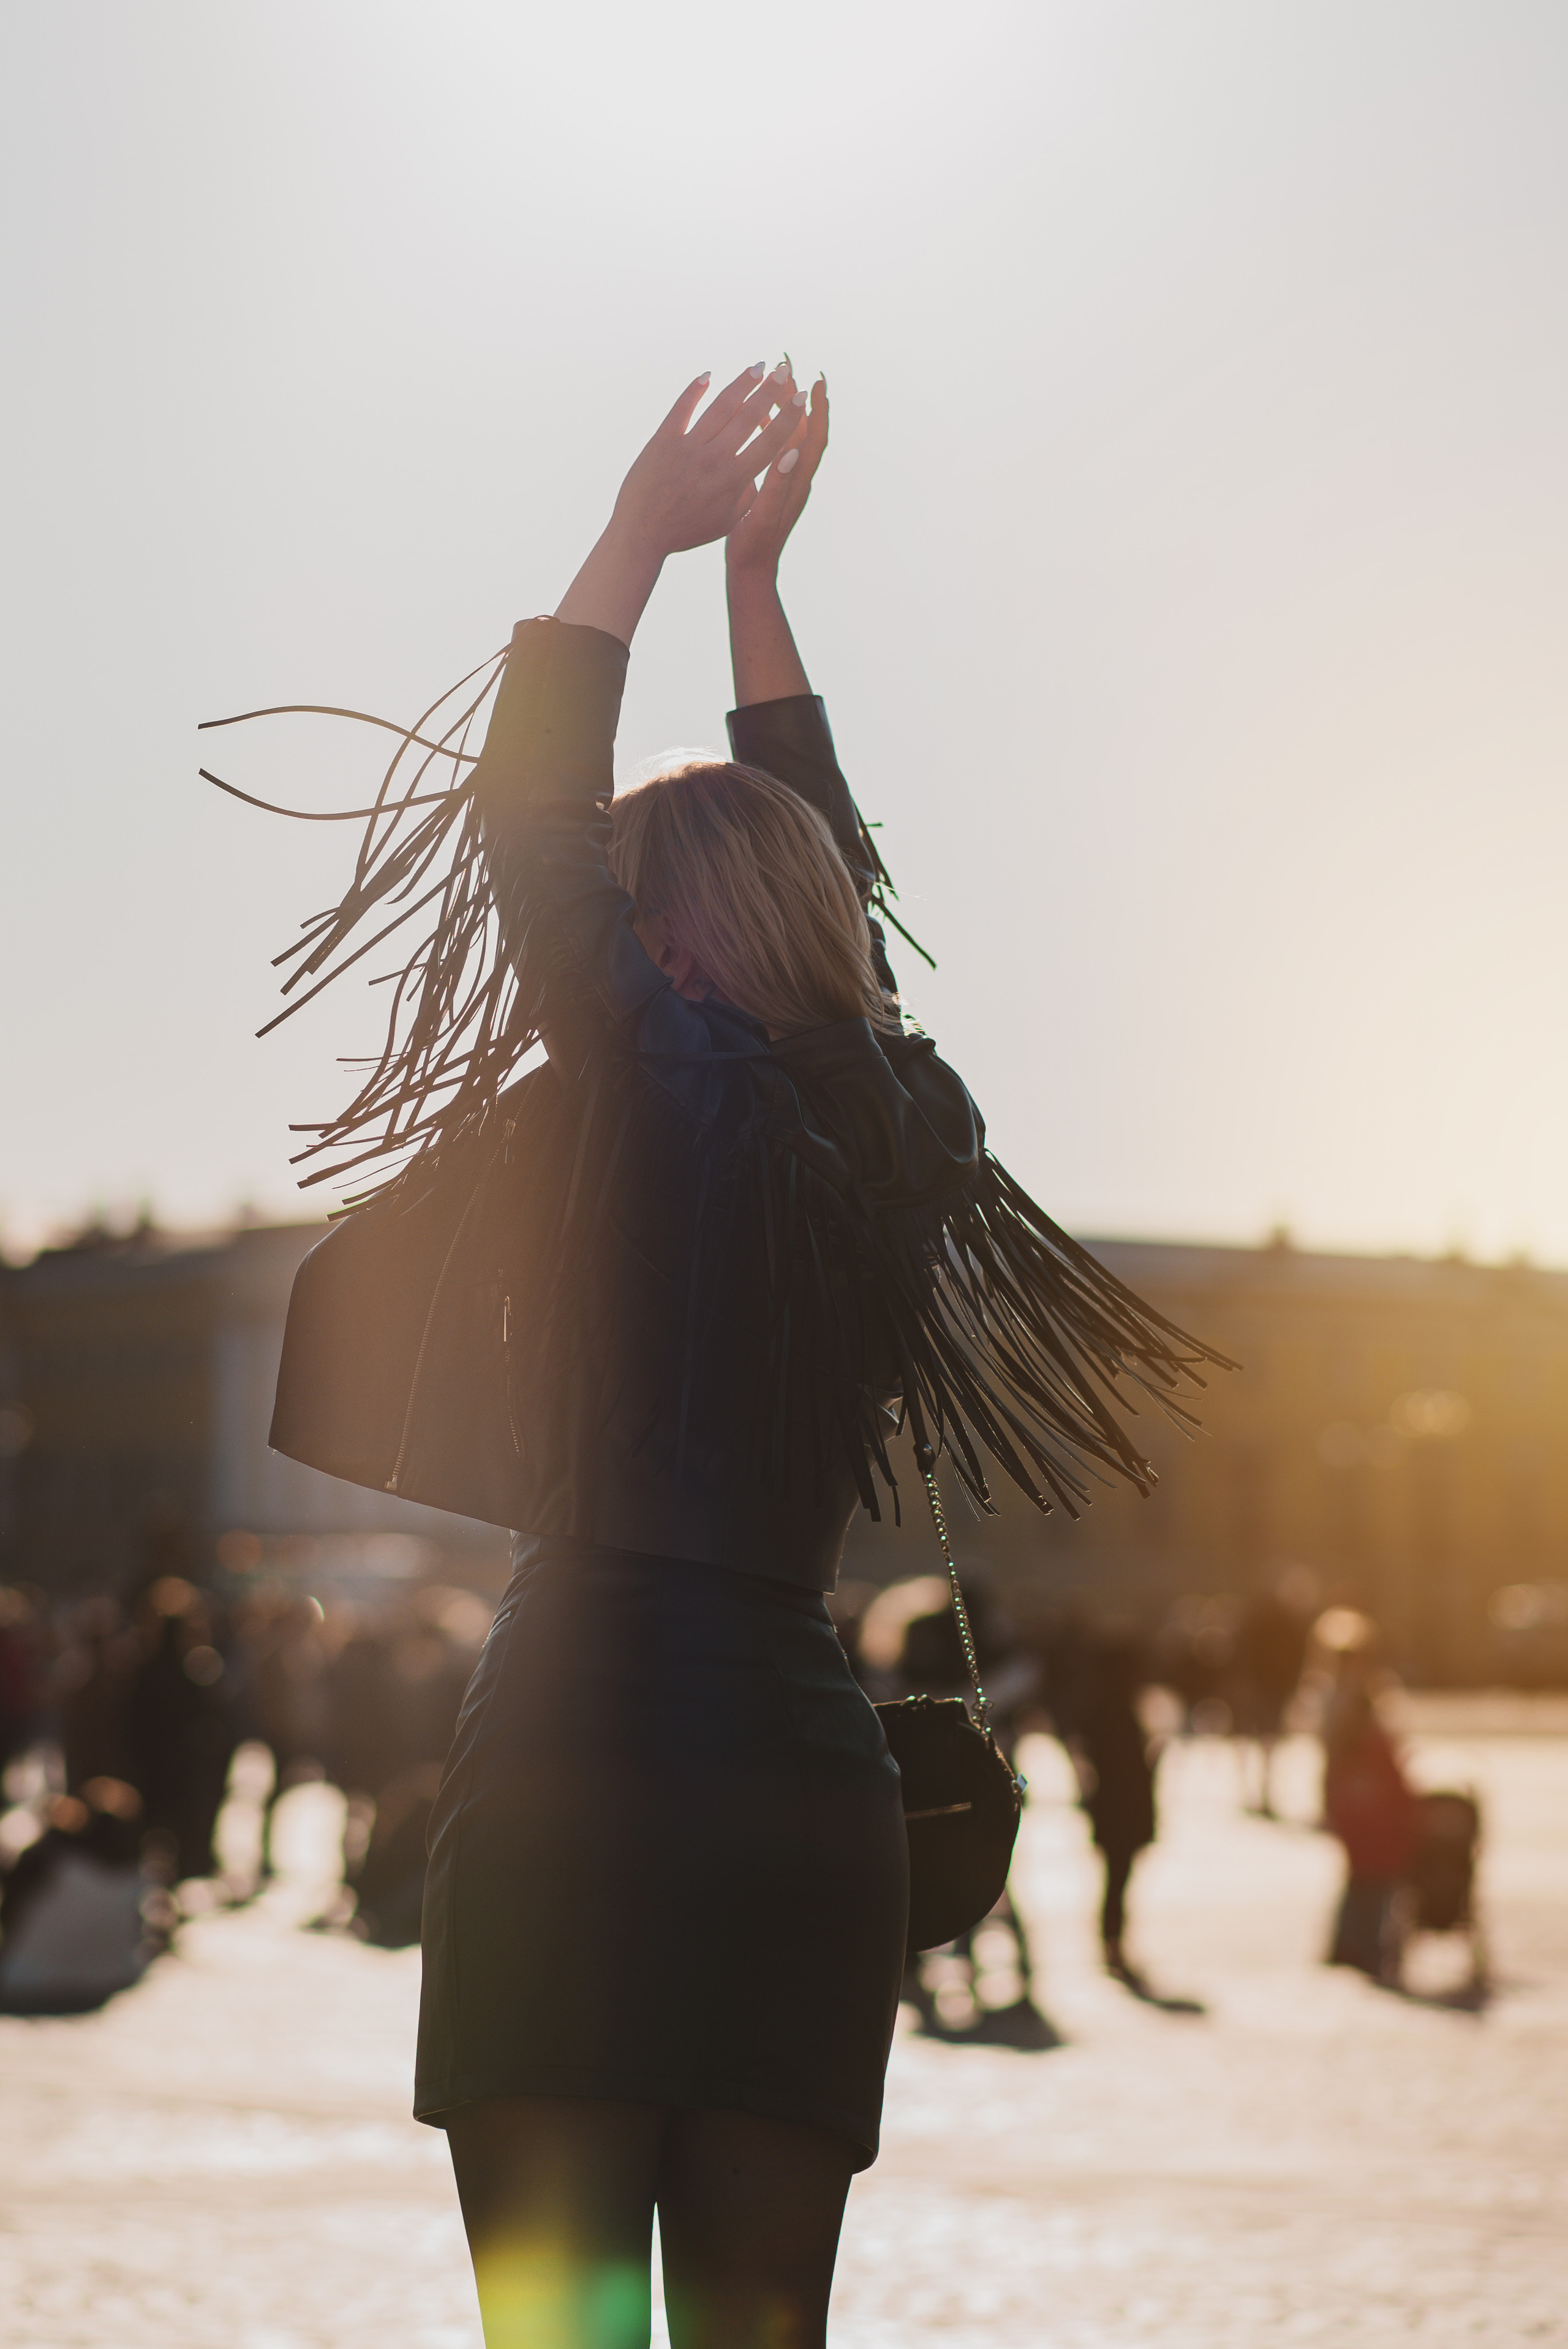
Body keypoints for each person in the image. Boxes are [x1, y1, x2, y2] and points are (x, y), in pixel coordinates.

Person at [219, 361, 1226, 2349]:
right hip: (797, 1790)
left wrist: (634, 538)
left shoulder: (661, 1088)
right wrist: (756, 586)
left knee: (562, 2334)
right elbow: (827, 877)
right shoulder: (900, 1124)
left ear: (667, 946)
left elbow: (526, 842)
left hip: (585, 1769)